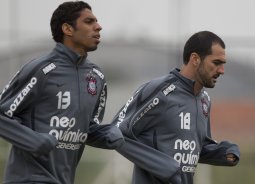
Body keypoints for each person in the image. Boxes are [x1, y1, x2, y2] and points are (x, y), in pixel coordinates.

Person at [0, 1, 124, 184]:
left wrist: (108, 134)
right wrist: (33, 141)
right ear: (68, 29)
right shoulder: (41, 69)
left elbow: (87, 128)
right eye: (89, 22)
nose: (98, 26)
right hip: (28, 179)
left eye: (96, 22)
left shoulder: (96, 77)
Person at [111, 31, 240, 184]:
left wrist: (223, 152)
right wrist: (163, 166)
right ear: (195, 59)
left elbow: (196, 147)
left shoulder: (204, 100)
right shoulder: (161, 91)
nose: (221, 71)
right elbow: (115, 132)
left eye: (223, 64)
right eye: (216, 63)